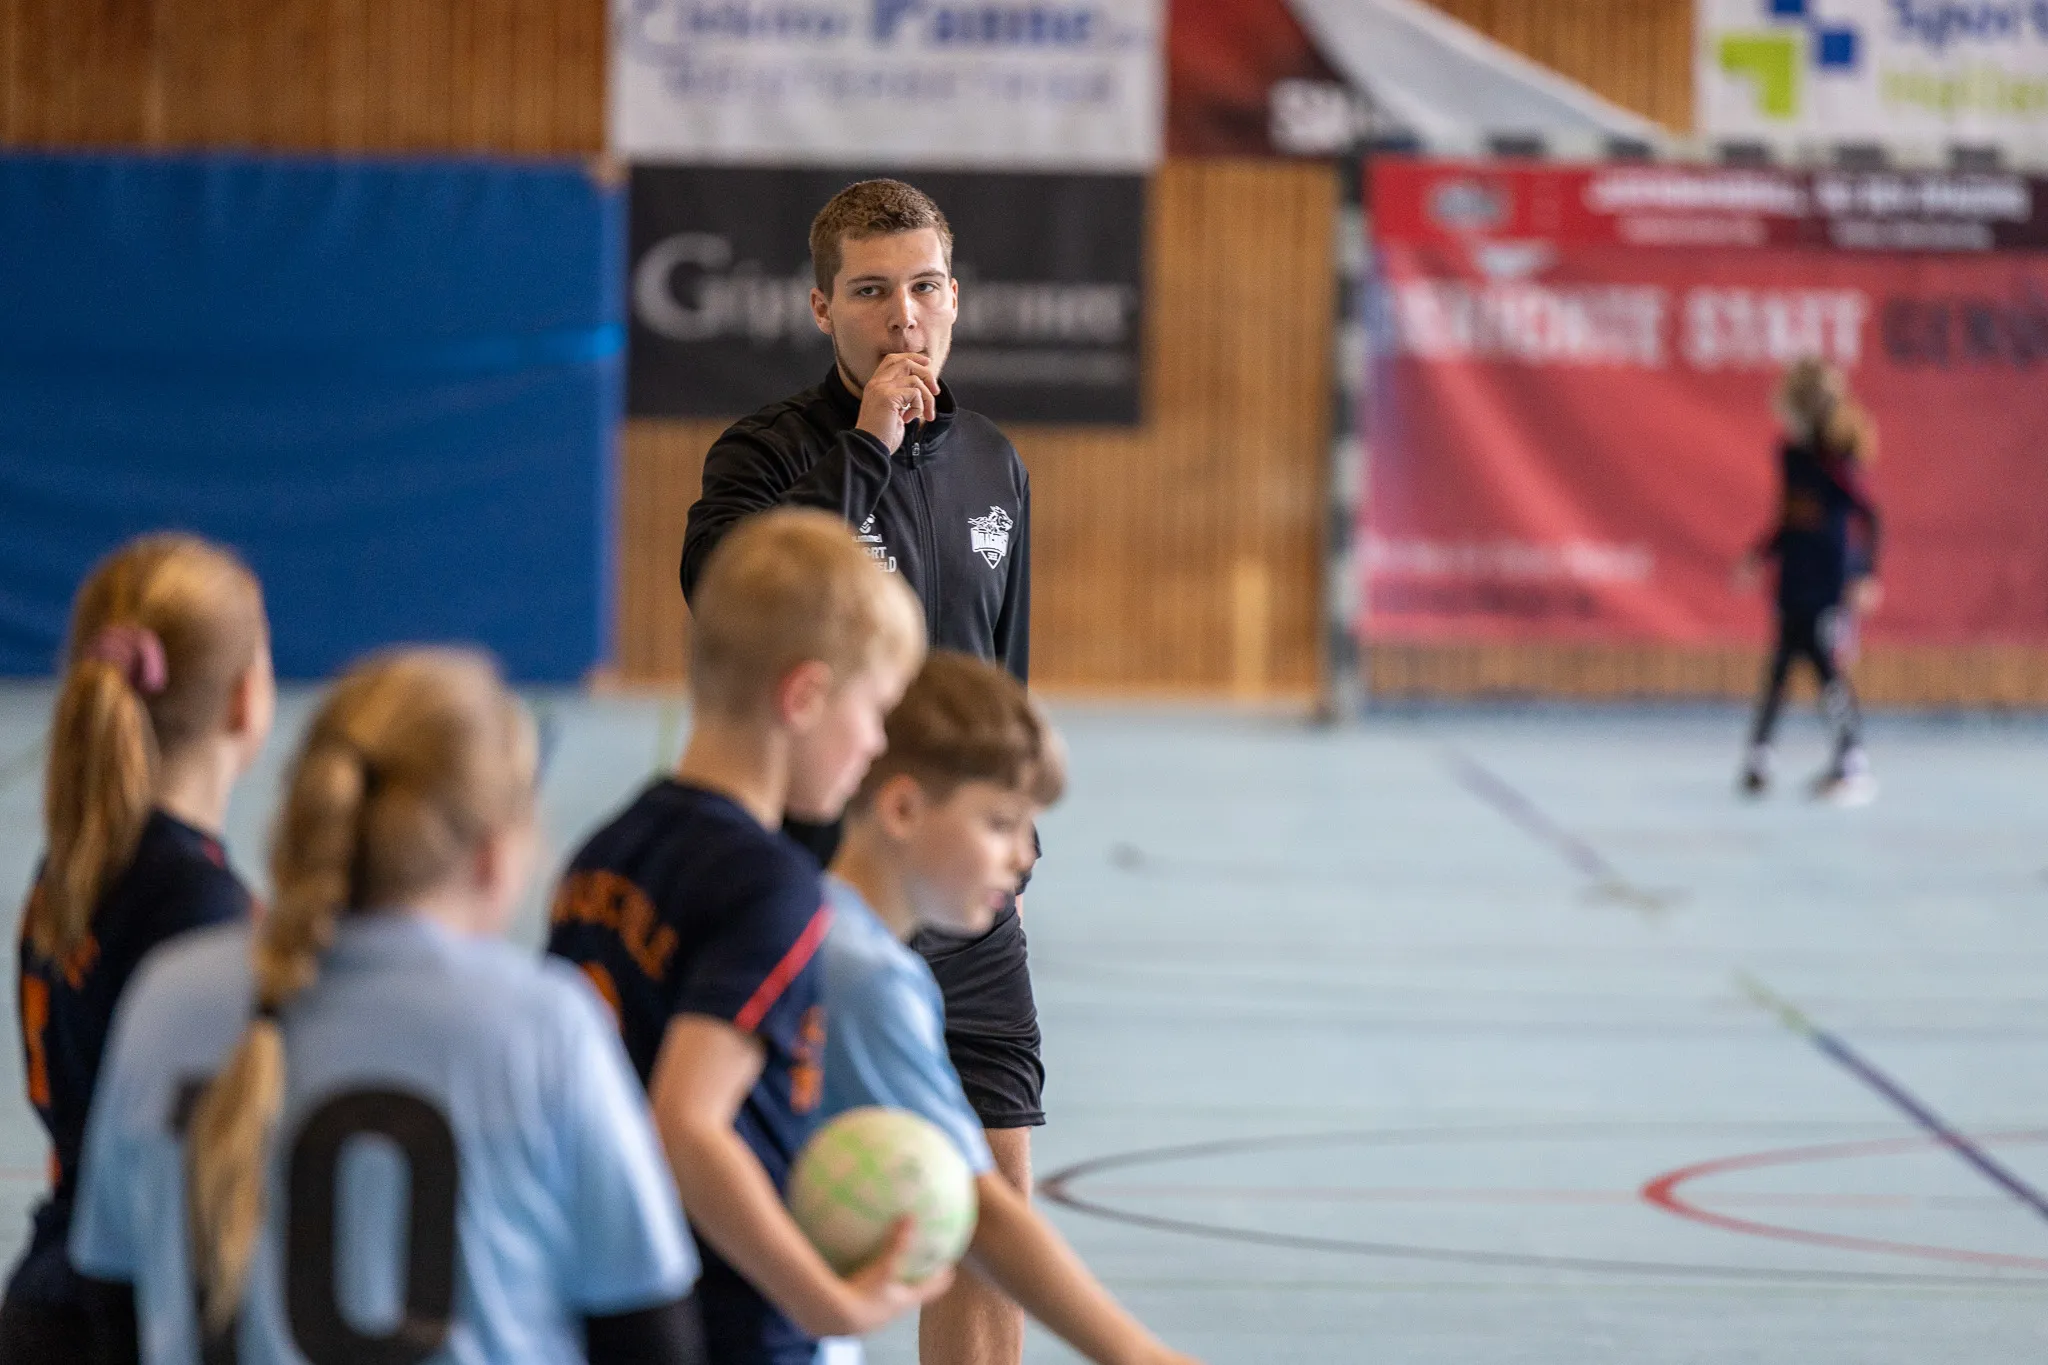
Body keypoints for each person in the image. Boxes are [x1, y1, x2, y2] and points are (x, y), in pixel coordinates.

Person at [69, 649, 704, 1364]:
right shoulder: (543, 1025)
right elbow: (652, 1333)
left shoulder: (169, 998)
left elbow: (110, 1303)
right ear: (494, 853)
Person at [678, 178, 1043, 1365]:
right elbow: (746, 610)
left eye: (926, 287)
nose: (905, 318)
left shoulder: (994, 463)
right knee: (773, 1207)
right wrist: (866, 453)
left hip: (964, 892)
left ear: (956, 297)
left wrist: (1014, 810)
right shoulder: (762, 458)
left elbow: (1002, 670)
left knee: (993, 1211)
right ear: (820, 307)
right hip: (820, 888)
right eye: (873, 292)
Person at [549, 510, 940, 1365]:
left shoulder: (605, 853)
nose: (874, 745)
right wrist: (827, 1298)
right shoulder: (774, 889)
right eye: (873, 710)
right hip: (732, 1324)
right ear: (804, 696)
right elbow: (688, 1123)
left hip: (607, 1314)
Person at [821, 652, 1204, 1365]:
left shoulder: (814, 930)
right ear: (900, 807)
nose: (1023, 855)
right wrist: (1140, 1354)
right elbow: (985, 1213)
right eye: (999, 822)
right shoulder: (863, 977)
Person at [0, 534, 272, 1362]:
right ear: (241, 700)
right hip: (137, 1314)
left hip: (50, 1294)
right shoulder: (197, 909)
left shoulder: (71, 866)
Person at [1735, 357, 1883, 805]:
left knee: (1825, 669)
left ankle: (1852, 760)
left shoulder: (1835, 463)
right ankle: (1760, 756)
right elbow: (1789, 519)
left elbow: (1870, 518)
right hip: (1793, 581)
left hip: (1827, 585)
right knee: (1779, 666)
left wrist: (1864, 574)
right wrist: (1759, 556)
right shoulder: (1791, 456)